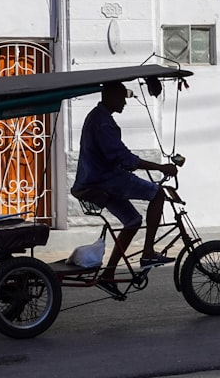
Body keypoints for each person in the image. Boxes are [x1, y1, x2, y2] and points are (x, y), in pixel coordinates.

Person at [72, 81, 178, 296]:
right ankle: (148, 252)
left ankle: (109, 273)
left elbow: (121, 157)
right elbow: (123, 157)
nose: (124, 103)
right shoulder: (102, 122)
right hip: (105, 179)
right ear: (109, 96)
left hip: (100, 178)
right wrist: (159, 167)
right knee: (158, 194)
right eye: (121, 98)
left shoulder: (99, 117)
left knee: (133, 221)